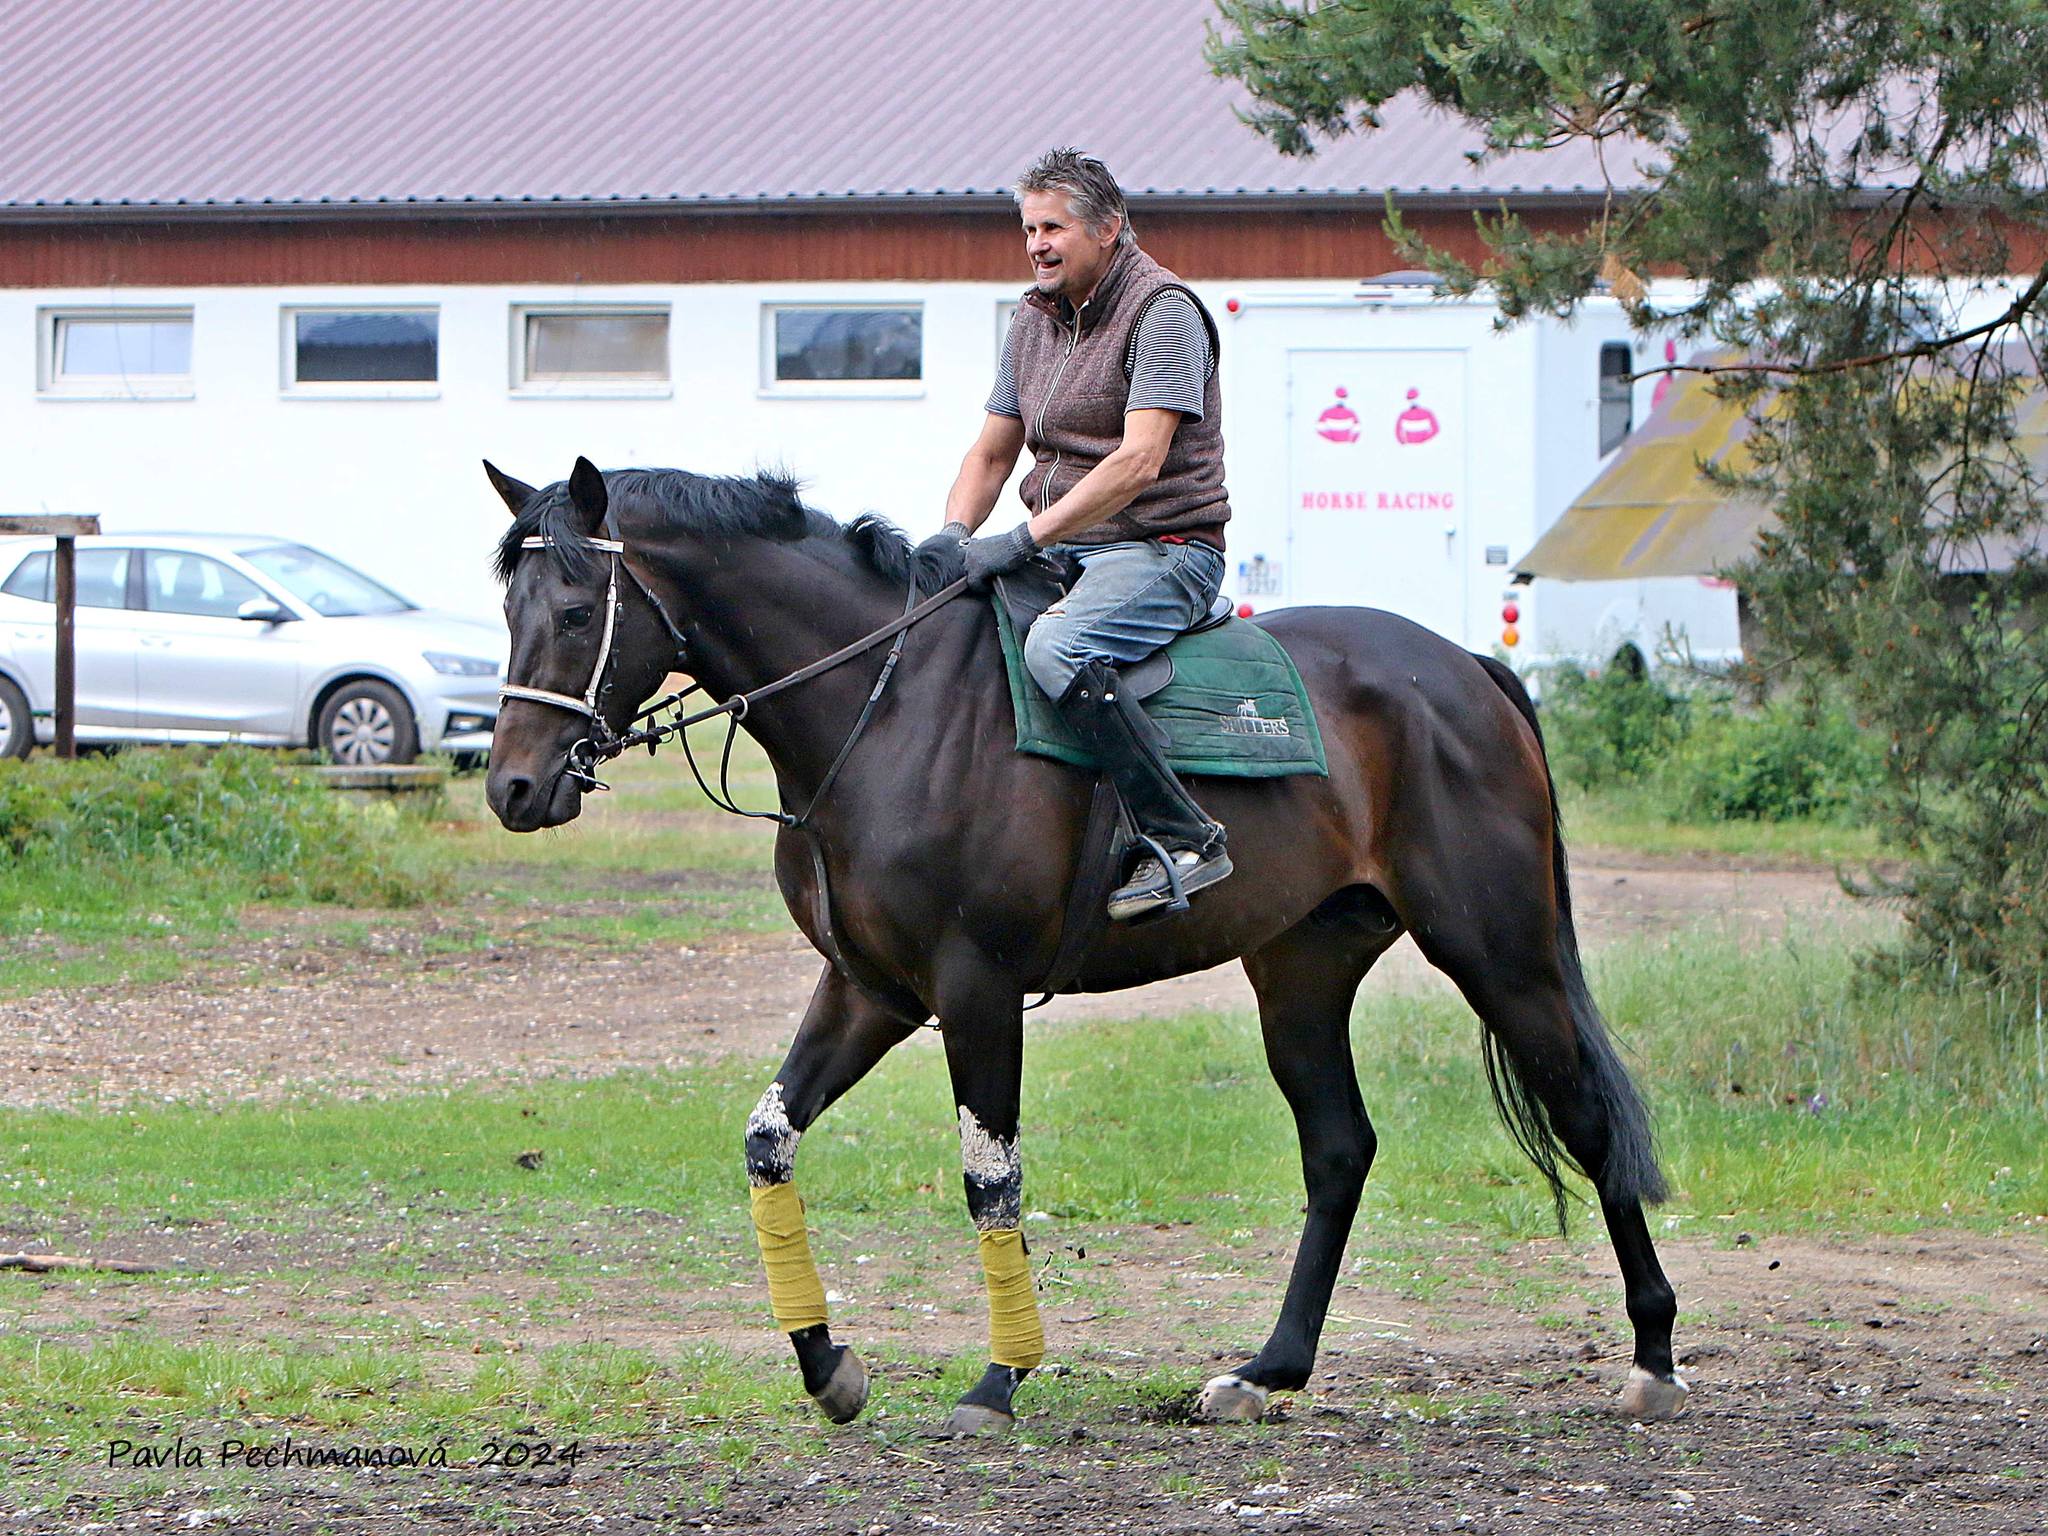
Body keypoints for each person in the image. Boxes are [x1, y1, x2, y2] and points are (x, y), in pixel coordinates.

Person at [922, 148, 1233, 921]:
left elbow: (1138, 462)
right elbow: (993, 450)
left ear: (1110, 228)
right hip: (1068, 549)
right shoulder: (1032, 320)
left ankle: (1183, 835)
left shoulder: (1164, 312)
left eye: (1053, 227)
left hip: (1165, 551)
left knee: (1056, 648)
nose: (1036, 244)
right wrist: (953, 535)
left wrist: (1020, 542)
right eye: (1029, 228)